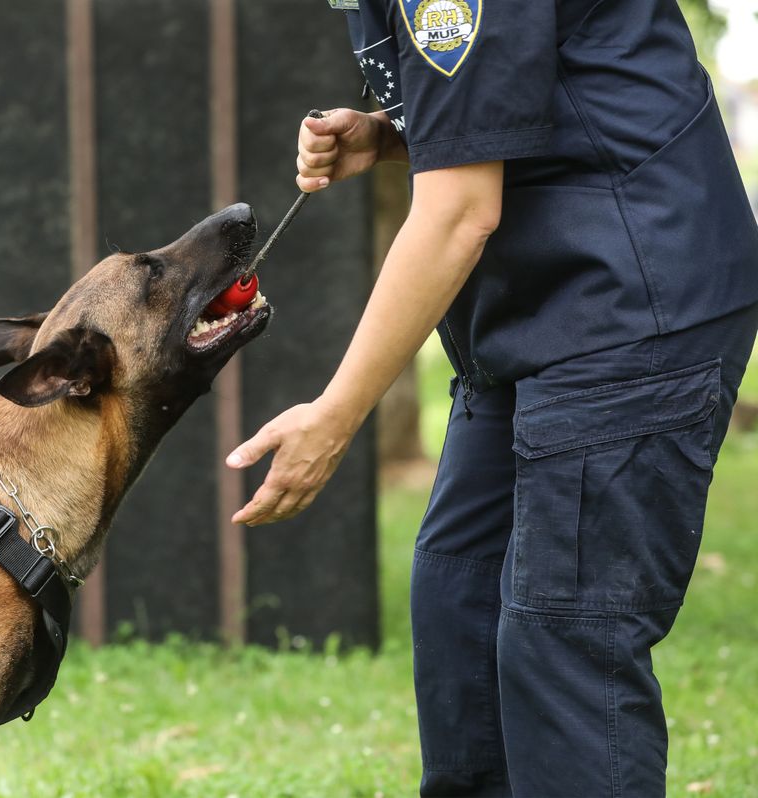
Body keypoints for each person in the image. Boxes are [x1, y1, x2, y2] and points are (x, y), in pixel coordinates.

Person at [225, 0, 758, 794]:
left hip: (628, 304)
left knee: (564, 647)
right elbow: (520, 85)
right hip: (531, 324)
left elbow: (460, 214)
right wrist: (395, 134)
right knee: (459, 610)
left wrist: (334, 415)